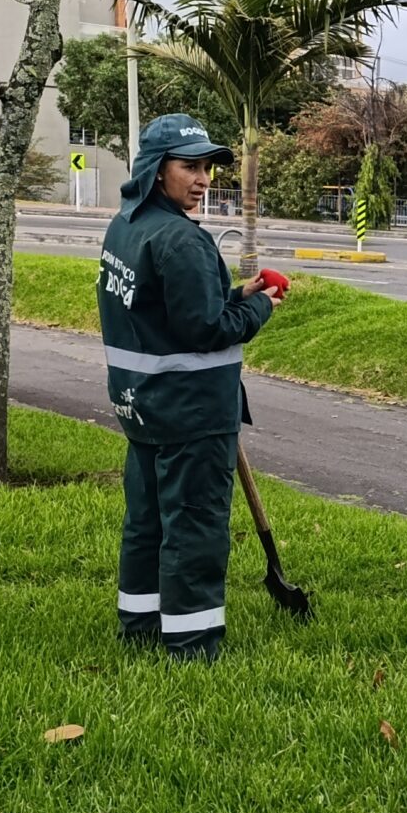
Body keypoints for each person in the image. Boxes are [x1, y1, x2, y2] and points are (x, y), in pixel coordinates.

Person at [99, 114, 279, 662]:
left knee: (147, 521)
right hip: (192, 412)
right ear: (157, 171)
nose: (202, 179)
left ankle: (142, 623)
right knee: (195, 525)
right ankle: (192, 641)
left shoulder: (126, 227)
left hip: (142, 406)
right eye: (189, 167)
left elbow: (165, 308)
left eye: (205, 167)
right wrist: (259, 306)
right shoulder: (182, 239)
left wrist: (230, 290)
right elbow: (204, 330)